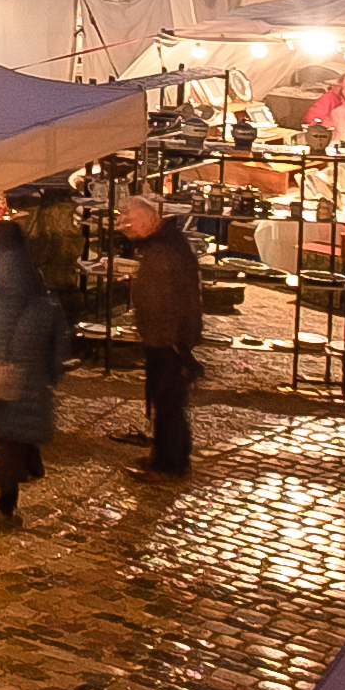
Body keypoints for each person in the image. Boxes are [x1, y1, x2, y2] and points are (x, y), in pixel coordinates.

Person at [0, 218, 65, 533]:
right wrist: (50, 375)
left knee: (9, 441)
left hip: (1, 379)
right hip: (32, 382)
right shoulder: (41, 291)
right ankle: (31, 464)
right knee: (16, 436)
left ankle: (4, 513)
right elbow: (59, 344)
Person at [118, 196, 203, 481]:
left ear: (152, 219)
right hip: (163, 337)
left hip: (167, 339)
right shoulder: (161, 245)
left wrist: (172, 341)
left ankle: (169, 465)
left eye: (132, 220)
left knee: (167, 403)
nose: (126, 225)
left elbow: (171, 300)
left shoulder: (165, 251)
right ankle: (170, 455)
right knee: (166, 402)